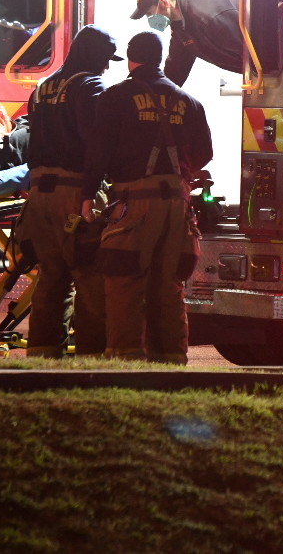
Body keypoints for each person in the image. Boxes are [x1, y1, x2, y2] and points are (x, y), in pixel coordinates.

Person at [81, 31, 213, 364]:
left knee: (124, 279)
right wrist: (178, 177)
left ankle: (125, 359)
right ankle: (170, 359)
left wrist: (87, 195)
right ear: (158, 59)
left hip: (135, 202)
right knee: (169, 282)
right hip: (178, 206)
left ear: (131, 58)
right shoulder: (189, 101)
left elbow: (99, 151)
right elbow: (205, 153)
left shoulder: (115, 97)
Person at [15, 24, 122, 358]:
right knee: (91, 279)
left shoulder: (44, 87)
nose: (107, 65)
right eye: (106, 57)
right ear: (91, 53)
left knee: (51, 277)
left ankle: (43, 359)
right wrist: (101, 190)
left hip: (42, 196)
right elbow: (98, 145)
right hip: (75, 196)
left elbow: (30, 145)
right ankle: (92, 360)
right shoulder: (90, 87)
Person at [130, 0, 243, 86]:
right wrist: (155, 95)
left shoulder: (207, 15)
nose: (149, 19)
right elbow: (174, 72)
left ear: (164, 3)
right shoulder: (181, 27)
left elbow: (254, 51)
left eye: (149, 13)